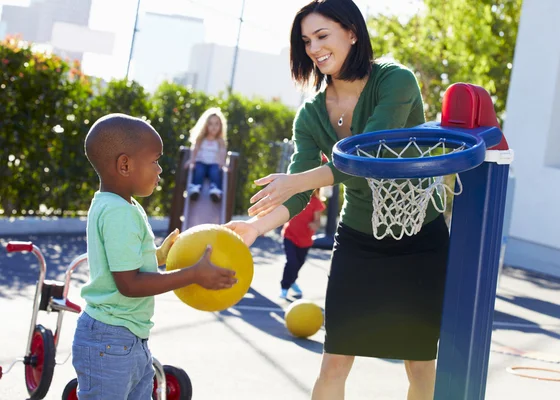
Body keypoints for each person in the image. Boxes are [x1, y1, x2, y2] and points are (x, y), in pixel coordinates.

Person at [225, 1, 449, 399]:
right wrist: (255, 226)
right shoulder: (310, 115)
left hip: (420, 236)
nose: (313, 48)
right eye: (306, 40)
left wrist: (296, 181)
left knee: (419, 363)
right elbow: (300, 195)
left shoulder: (394, 81)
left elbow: (371, 156)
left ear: (352, 32)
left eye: (322, 35)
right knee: (335, 360)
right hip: (359, 238)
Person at [74, 113, 237, 399]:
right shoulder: (118, 212)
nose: (160, 170)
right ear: (125, 165)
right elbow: (130, 284)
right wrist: (193, 275)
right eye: (155, 161)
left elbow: (127, 262)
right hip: (110, 339)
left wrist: (159, 255)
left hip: (126, 336)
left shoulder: (121, 204)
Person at [279, 188, 326, 299]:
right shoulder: (295, 197)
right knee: (292, 262)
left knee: (298, 263)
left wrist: (315, 224)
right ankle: (284, 287)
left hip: (305, 241)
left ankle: (292, 281)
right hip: (289, 236)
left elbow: (317, 221)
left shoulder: (316, 202)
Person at [185, 107, 228, 202]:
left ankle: (215, 190)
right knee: (199, 170)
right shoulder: (201, 139)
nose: (214, 127)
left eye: (217, 124)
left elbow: (222, 151)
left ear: (221, 126)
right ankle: (195, 188)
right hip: (201, 162)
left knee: (215, 172)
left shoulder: (220, 141)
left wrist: (222, 162)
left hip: (214, 163)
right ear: (205, 125)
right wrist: (192, 160)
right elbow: (195, 148)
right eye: (211, 124)